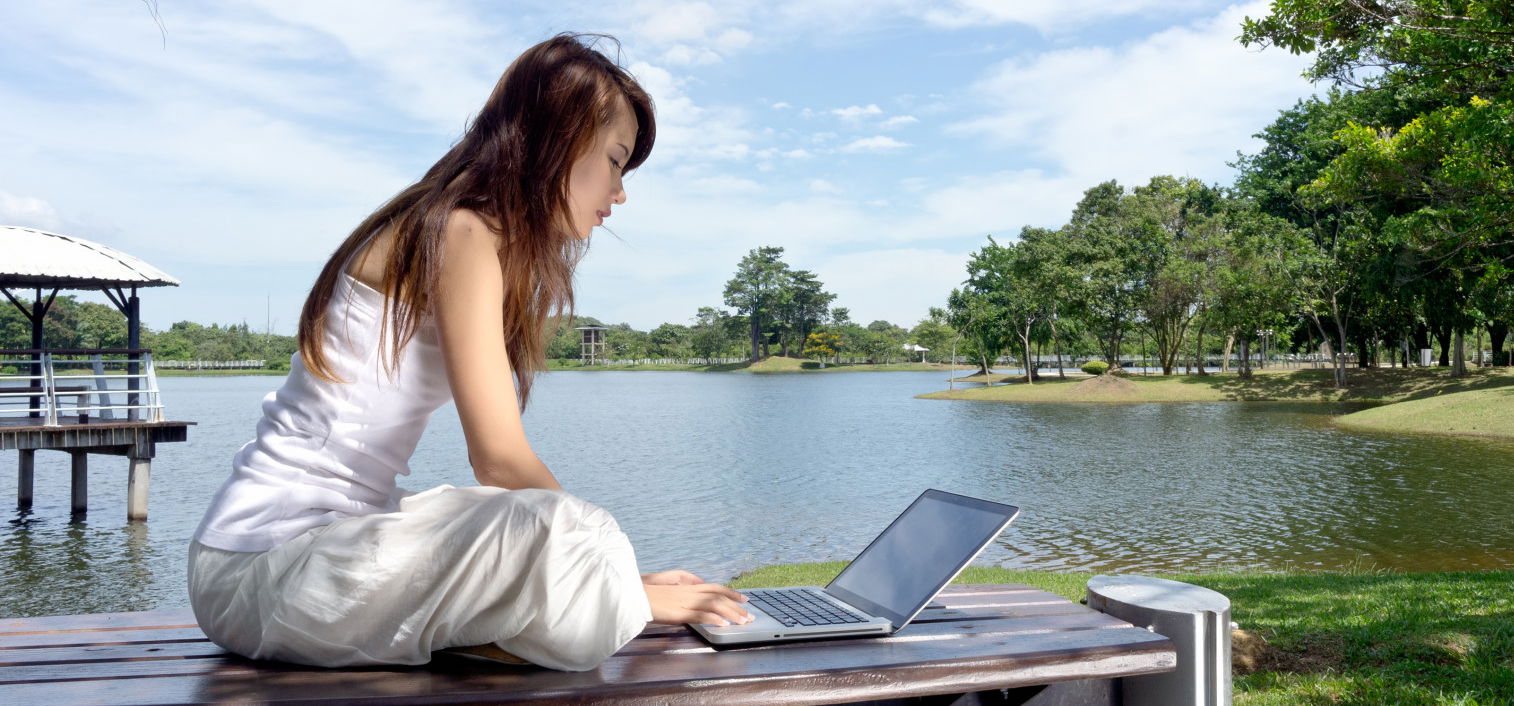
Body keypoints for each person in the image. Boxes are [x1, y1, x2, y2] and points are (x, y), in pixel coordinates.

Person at [188, 33, 752, 672]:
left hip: (297, 567)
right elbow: (501, 458)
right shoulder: (461, 230)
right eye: (616, 161)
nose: (620, 193)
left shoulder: (453, 226)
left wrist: (613, 575)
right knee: (572, 529)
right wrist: (616, 573)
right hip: (270, 571)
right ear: (560, 143)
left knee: (540, 527)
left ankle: (555, 608)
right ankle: (587, 600)